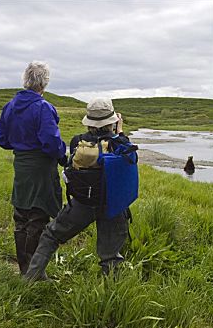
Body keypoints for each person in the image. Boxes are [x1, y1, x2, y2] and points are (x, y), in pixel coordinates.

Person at [25, 98, 136, 280]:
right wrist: (120, 132)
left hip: (82, 203)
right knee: (110, 256)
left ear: (89, 121)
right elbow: (131, 160)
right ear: (112, 121)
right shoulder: (120, 143)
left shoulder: (77, 141)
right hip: (113, 206)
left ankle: (32, 278)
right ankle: (113, 295)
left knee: (51, 235)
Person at [0, 61, 67, 276]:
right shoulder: (43, 107)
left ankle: (25, 269)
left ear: (26, 80)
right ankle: (33, 273)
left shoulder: (10, 105)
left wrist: (21, 146)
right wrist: (63, 157)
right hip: (41, 167)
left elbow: (2, 139)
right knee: (38, 215)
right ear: (44, 82)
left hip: (22, 165)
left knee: (22, 215)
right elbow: (51, 142)